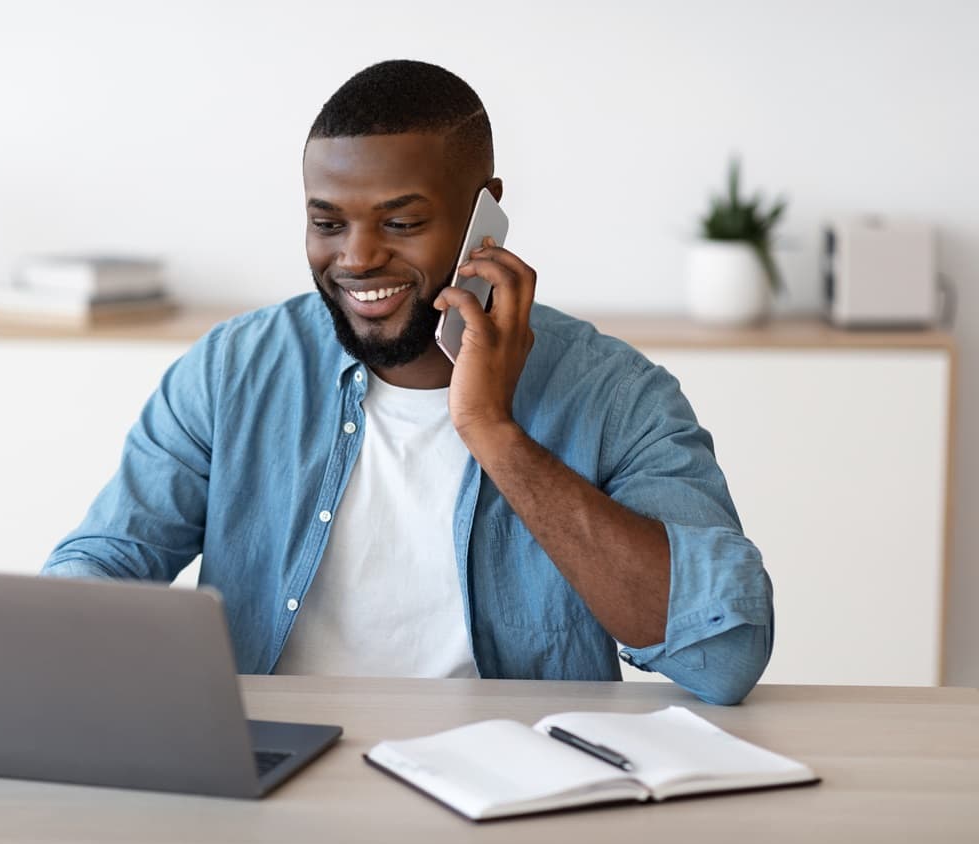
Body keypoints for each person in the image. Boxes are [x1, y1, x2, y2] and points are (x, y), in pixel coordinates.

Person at [42, 60, 773, 705]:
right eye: (327, 222)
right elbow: (106, 559)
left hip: (515, 789)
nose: (356, 258)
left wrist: (494, 434)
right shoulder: (234, 369)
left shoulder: (616, 395)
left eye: (400, 222)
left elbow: (724, 657)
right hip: (276, 776)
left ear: (485, 216)